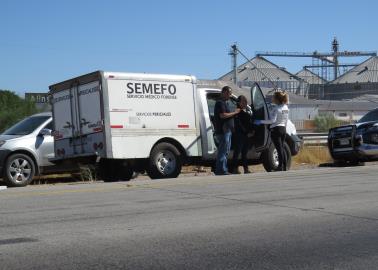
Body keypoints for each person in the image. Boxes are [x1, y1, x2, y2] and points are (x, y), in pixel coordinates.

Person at [255, 90, 289, 171]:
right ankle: (284, 166)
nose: (272, 98)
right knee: (282, 148)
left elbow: (272, 121)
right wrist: (285, 128)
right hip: (283, 128)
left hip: (276, 129)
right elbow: (286, 119)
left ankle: (280, 166)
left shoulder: (276, 108)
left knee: (279, 148)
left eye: (273, 97)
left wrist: (260, 122)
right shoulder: (285, 107)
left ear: (277, 99)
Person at [214, 86, 241, 175]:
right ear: (223, 92)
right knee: (223, 151)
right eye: (228, 93)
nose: (229, 95)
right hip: (223, 131)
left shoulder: (226, 103)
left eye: (230, 93)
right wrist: (235, 112)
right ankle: (221, 170)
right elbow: (223, 115)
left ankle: (222, 169)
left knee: (225, 151)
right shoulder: (220, 103)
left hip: (227, 131)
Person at [232, 95, 253, 174]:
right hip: (240, 135)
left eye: (246, 101)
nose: (245, 103)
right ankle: (235, 168)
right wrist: (247, 133)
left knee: (244, 153)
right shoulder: (237, 112)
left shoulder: (245, 111)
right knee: (237, 152)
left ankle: (246, 169)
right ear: (239, 102)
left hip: (246, 135)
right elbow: (240, 124)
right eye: (243, 101)